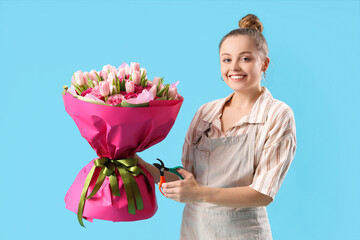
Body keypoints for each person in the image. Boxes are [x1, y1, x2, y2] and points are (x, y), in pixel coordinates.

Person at [136, 13, 297, 240]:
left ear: (265, 64)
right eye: (227, 59)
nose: (235, 67)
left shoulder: (277, 115)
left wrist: (199, 193)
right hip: (195, 231)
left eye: (246, 59)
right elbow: (187, 180)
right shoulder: (206, 113)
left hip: (243, 233)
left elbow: (263, 193)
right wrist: (138, 164)